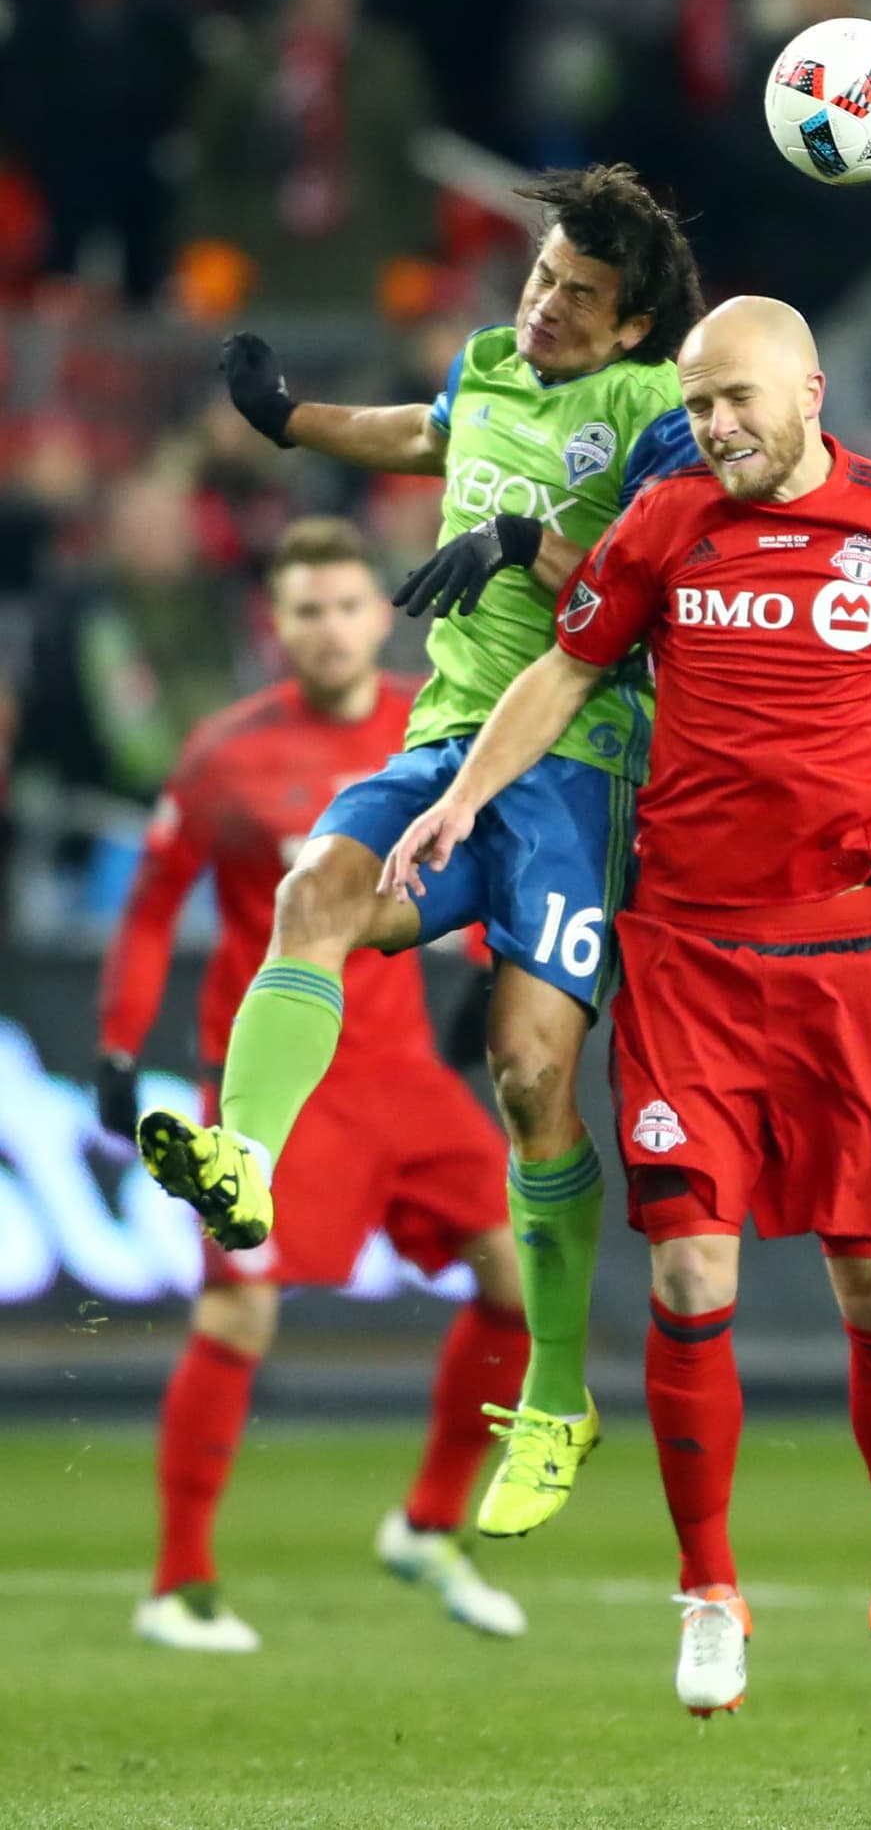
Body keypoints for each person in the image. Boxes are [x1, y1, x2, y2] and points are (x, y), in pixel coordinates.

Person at [379, 297, 871, 1725]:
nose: (717, 427)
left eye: (739, 399)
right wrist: (459, 799)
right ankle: (708, 1592)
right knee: (695, 1276)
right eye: (697, 406)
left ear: (812, 388)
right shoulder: (665, 525)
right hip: (687, 958)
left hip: (844, 967)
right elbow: (564, 672)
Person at [137, 163, 704, 1542]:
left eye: (579, 295)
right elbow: (428, 431)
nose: (545, 307)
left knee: (526, 1071)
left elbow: (657, 588)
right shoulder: (494, 366)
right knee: (311, 893)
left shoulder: (654, 413)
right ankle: (245, 1156)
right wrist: (292, 424)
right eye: (539, 277)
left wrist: (527, 543)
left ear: (633, 327)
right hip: (447, 736)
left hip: (579, 763)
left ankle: (560, 1395)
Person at [99, 518, 527, 1651]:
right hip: (279, 1092)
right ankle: (178, 1582)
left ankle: (428, 1522)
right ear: (276, 624)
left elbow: (480, 859)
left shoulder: (431, 727)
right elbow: (151, 909)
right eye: (307, 609)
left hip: (399, 1069)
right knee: (237, 1304)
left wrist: (488, 975)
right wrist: (114, 1043)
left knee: (523, 1279)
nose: (330, 627)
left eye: (347, 604)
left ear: (375, 613)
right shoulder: (222, 752)